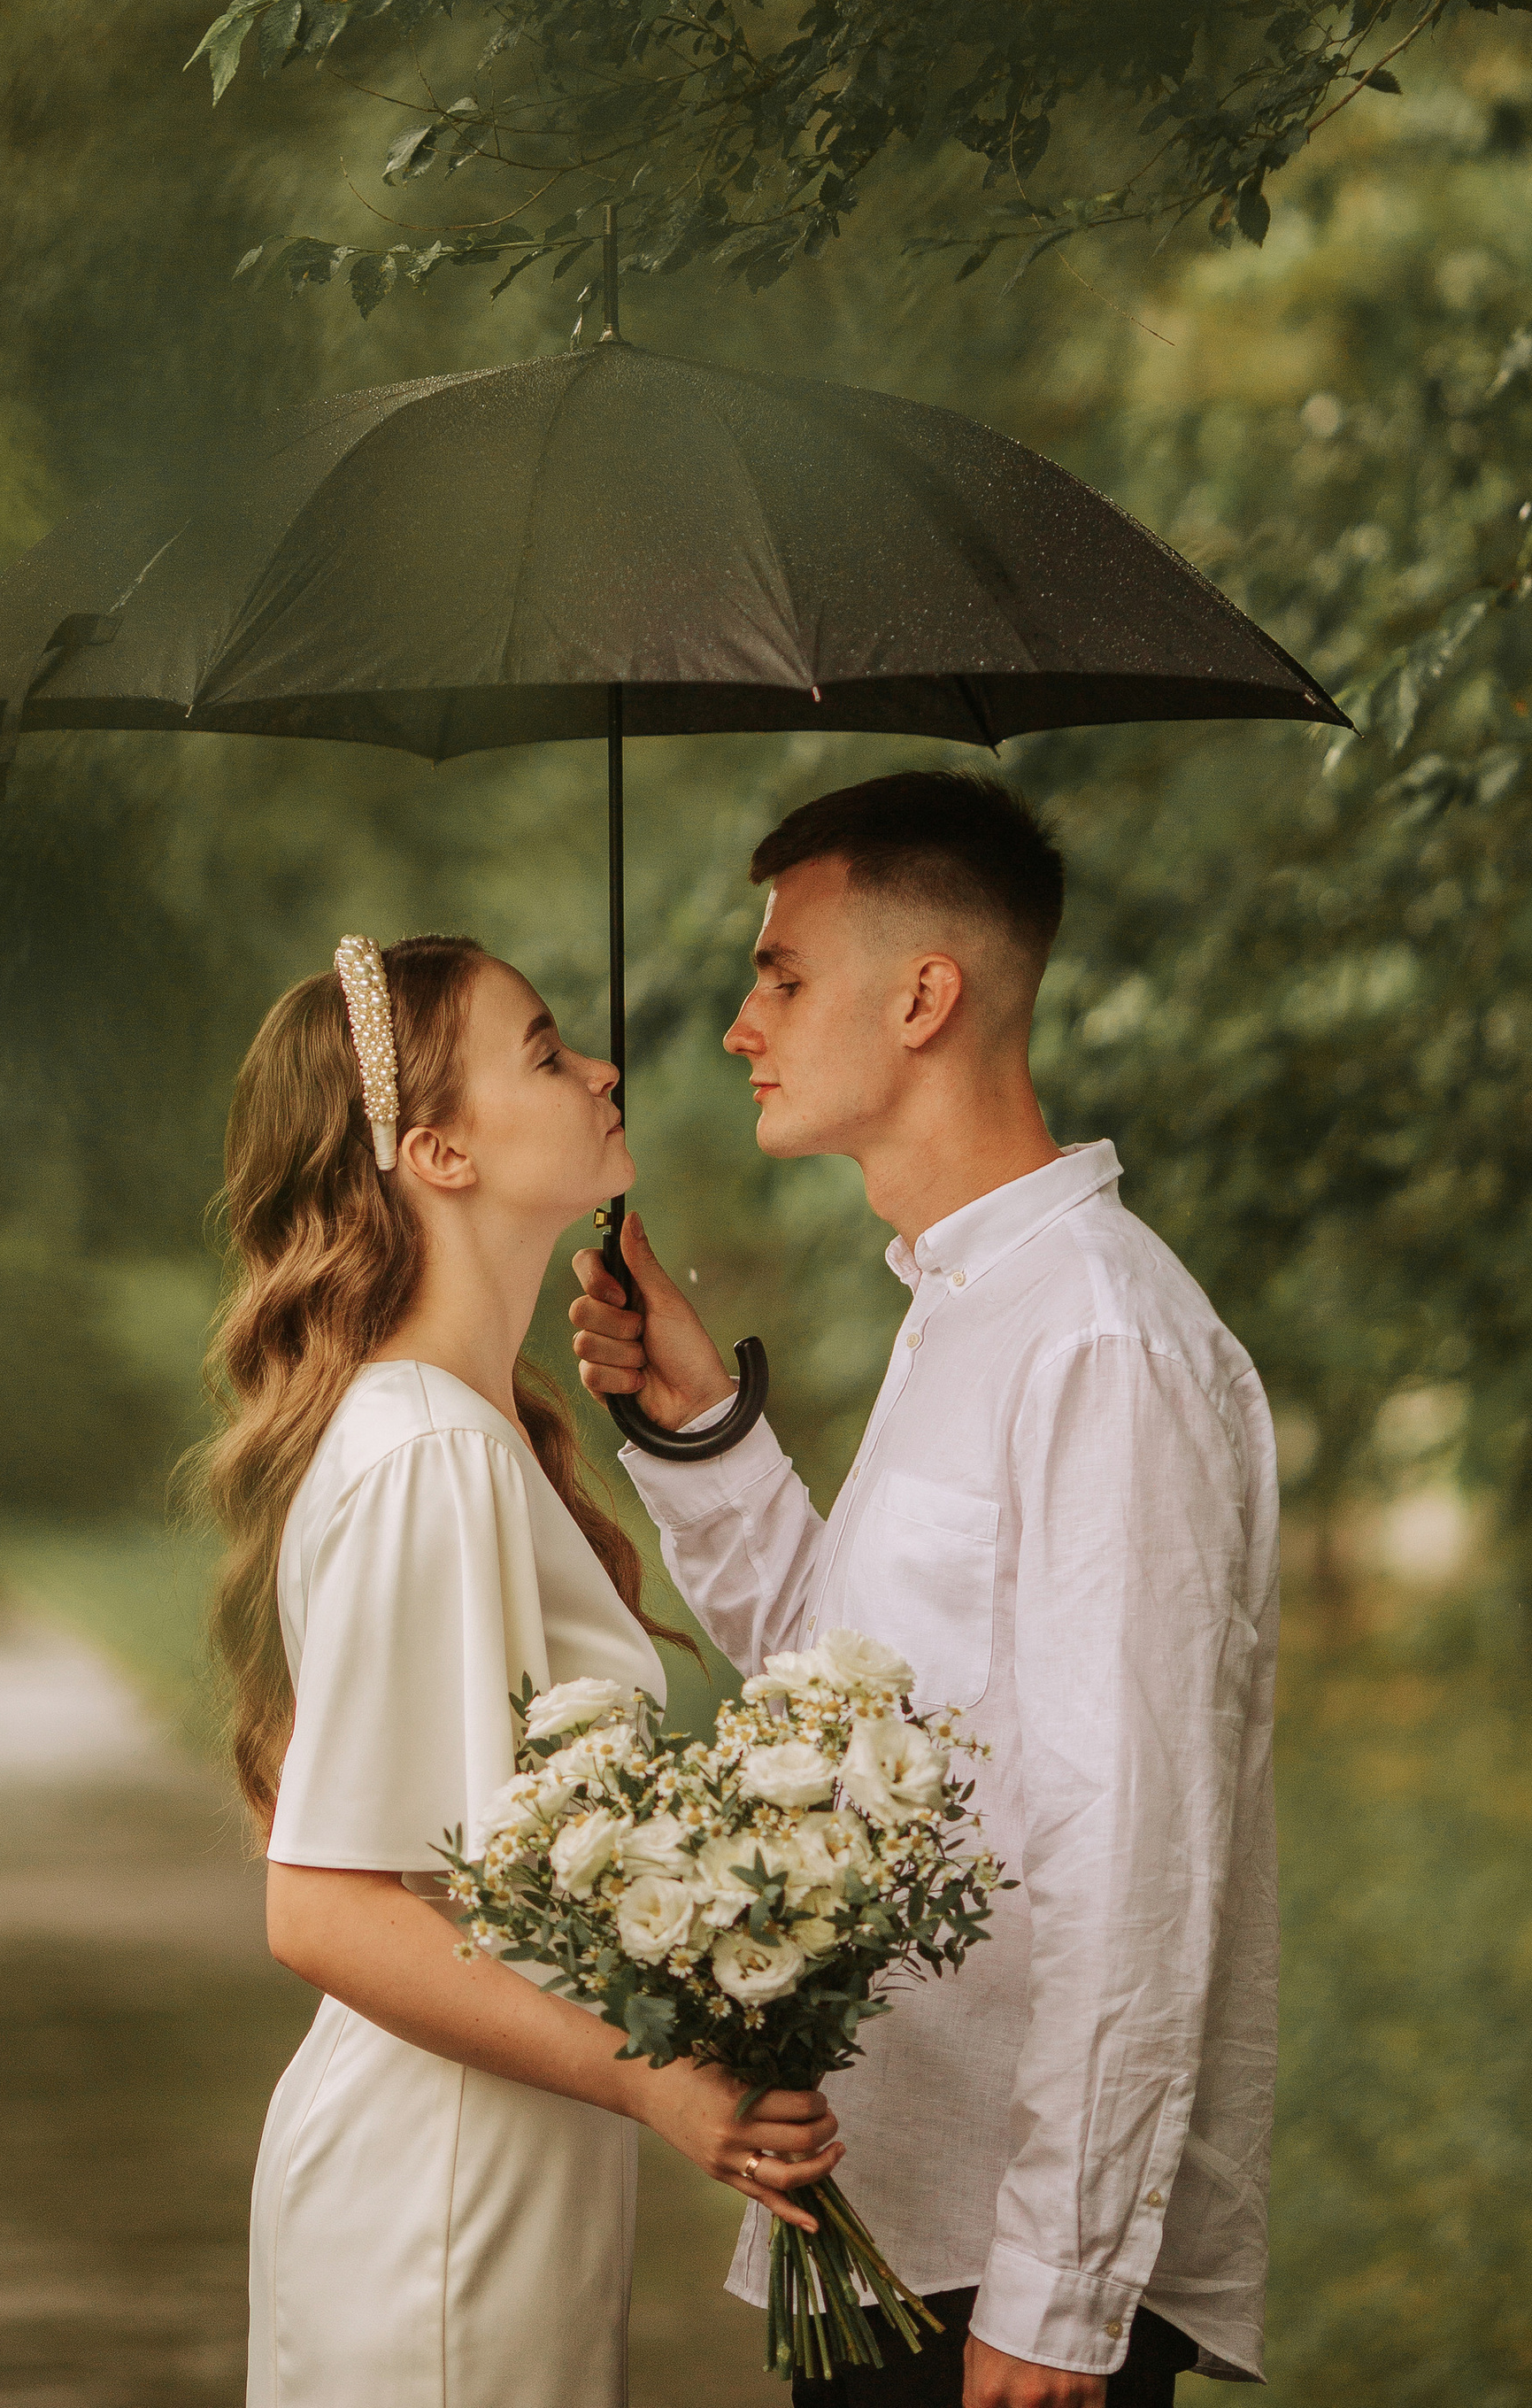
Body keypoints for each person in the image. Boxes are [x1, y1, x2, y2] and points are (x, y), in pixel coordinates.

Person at [571, 774, 1279, 2408]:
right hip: (890, 2210)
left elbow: (1137, 1847)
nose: (743, 1025)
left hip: (1004, 2282)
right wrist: (694, 1426)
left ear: (925, 996)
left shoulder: (1100, 1335)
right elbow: (849, 1703)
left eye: (782, 976)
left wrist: (1061, 2288)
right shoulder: (963, 1307)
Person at [199, 930, 843, 2408]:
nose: (602, 1069)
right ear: (435, 1149)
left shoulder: (457, 1436)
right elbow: (326, 1909)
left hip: (501, 2176)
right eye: (546, 1053)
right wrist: (651, 2076)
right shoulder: (426, 1453)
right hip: (438, 2205)